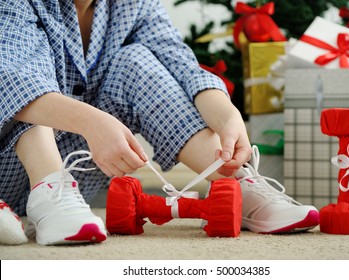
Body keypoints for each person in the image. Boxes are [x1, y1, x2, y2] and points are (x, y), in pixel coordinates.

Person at [0, 0, 319, 246]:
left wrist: (227, 114)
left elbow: (178, 61)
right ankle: (49, 189)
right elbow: (11, 76)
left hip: (76, 172)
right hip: (10, 169)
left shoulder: (134, 4)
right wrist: (93, 123)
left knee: (135, 60)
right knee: (32, 73)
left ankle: (235, 186)